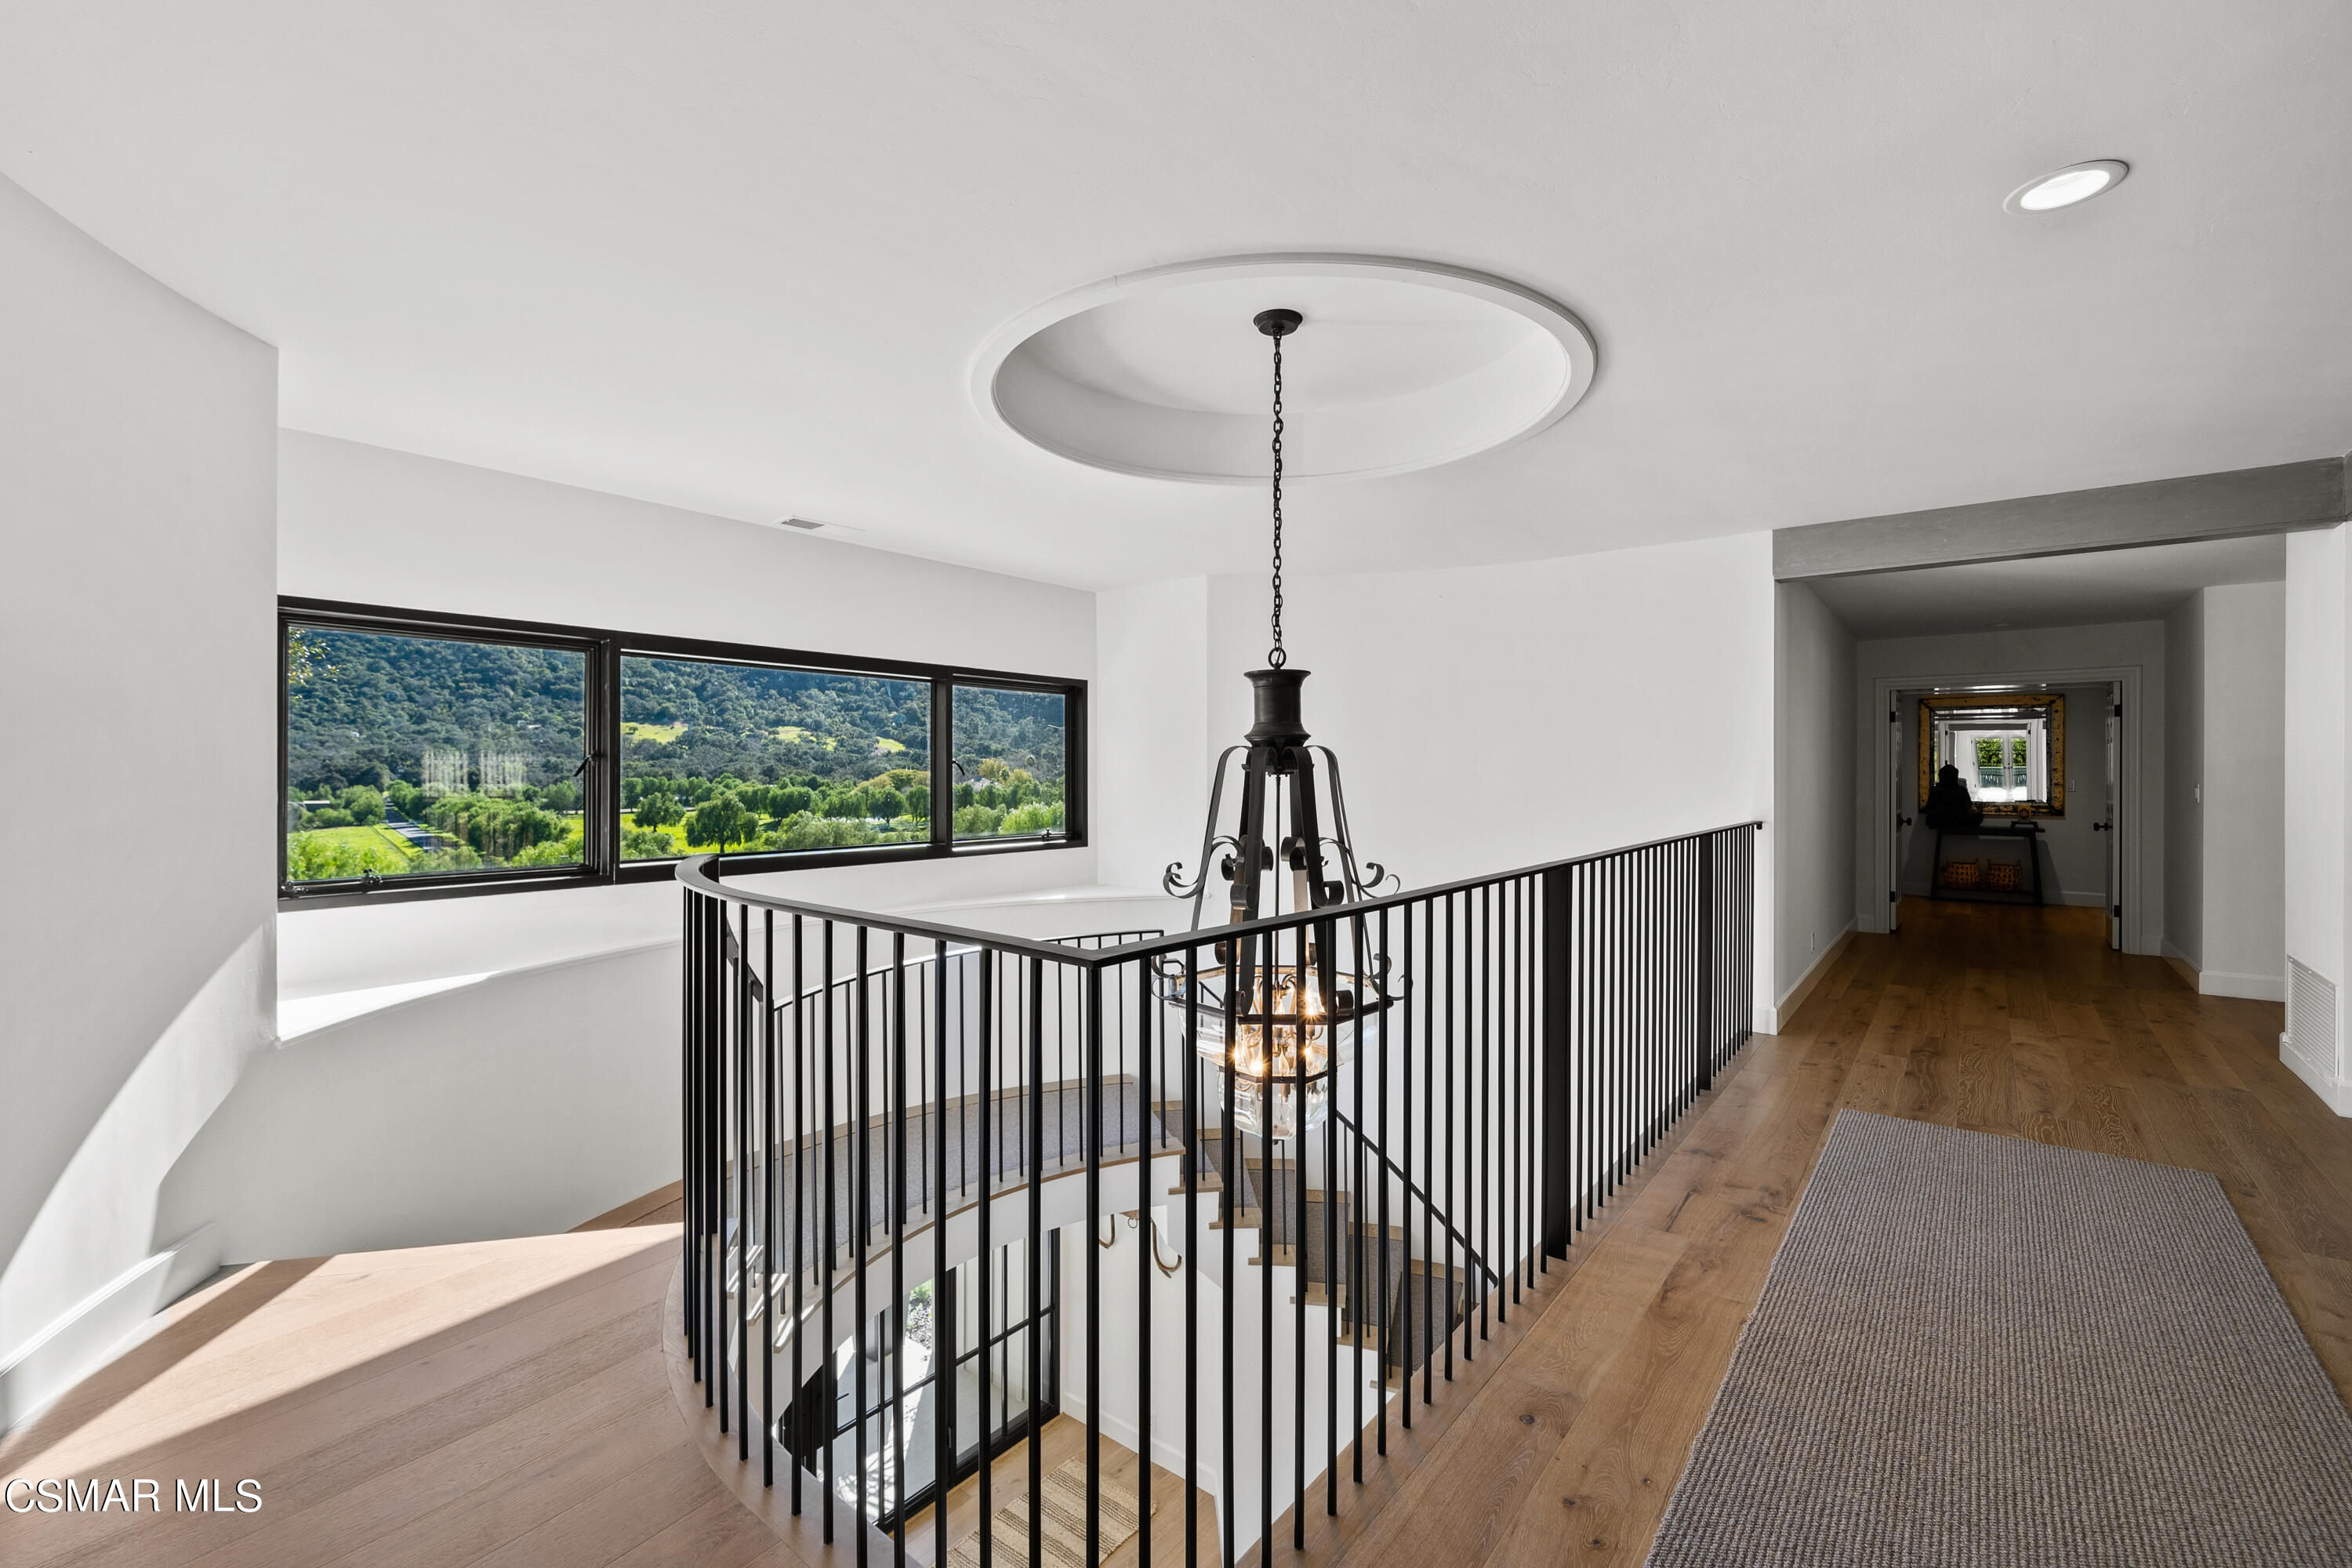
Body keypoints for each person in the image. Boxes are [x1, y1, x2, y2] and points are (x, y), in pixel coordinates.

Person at [1923, 761, 1984, 832]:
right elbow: (1930, 808)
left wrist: (1958, 809)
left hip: (1958, 816)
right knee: (1938, 817)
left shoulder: (1961, 790)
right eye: (1950, 776)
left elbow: (1968, 805)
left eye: (1954, 776)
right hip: (1944, 817)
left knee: (1978, 816)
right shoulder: (1936, 790)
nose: (1953, 778)